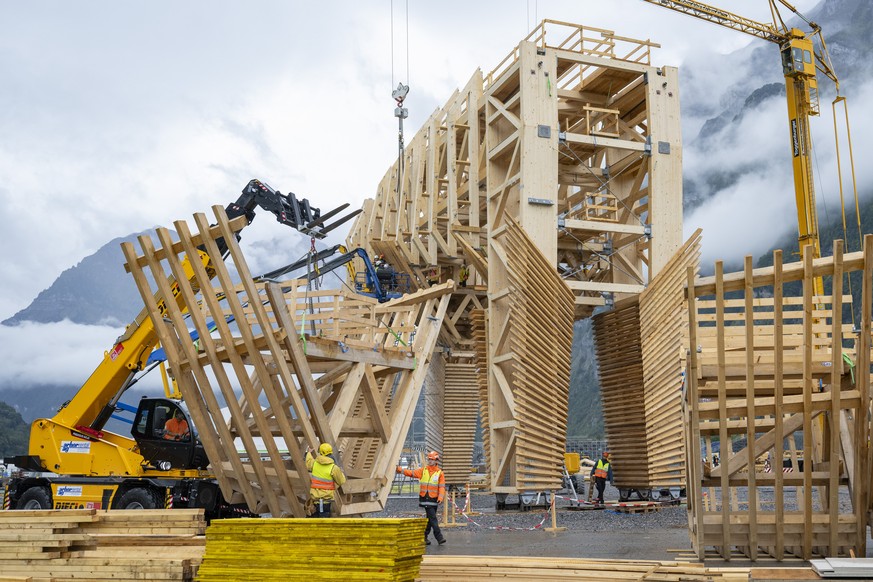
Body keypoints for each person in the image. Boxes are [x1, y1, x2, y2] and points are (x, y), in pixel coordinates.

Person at [397, 450, 446, 545]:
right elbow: (411, 473)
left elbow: (442, 487)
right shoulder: (423, 470)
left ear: (436, 461)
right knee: (433, 518)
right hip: (425, 499)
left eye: (432, 459)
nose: (430, 461)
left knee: (429, 519)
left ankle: (424, 537)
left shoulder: (440, 473)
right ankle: (439, 537)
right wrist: (400, 470)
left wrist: (440, 497)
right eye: (429, 459)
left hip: (434, 500)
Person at [305, 443, 346, 517]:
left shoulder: (314, 464)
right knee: (322, 524)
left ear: (320, 452)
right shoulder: (334, 468)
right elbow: (342, 481)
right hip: (325, 503)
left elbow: (308, 462)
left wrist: (309, 452)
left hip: (315, 501)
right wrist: (341, 472)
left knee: (311, 524)